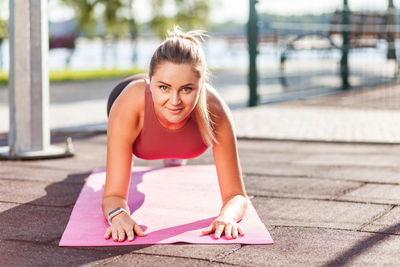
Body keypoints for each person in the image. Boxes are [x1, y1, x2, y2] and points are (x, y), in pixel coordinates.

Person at [102, 25, 248, 242]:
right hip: (127, 100)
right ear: (150, 82)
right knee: (136, 189)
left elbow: (236, 195)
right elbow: (113, 195)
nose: (175, 101)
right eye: (164, 88)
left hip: (174, 122)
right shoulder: (130, 105)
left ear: (201, 86)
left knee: (173, 97)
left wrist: (227, 216)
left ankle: (172, 149)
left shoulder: (214, 109)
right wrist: (119, 216)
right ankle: (161, 87)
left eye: (187, 89)